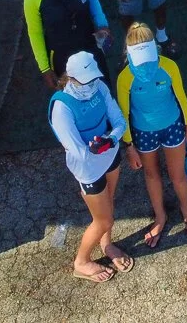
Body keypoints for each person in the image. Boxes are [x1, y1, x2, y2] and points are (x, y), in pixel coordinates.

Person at [48, 51, 132, 283]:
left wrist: (110, 141)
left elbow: (119, 122)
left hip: (109, 155)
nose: (93, 84)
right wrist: (104, 144)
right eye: (87, 81)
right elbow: (78, 152)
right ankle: (81, 262)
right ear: (71, 79)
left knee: (110, 201)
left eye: (94, 78)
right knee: (104, 220)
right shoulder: (61, 109)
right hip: (88, 170)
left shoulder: (100, 88)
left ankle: (107, 244)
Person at [115, 24, 187, 246]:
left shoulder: (169, 66)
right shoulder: (125, 78)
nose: (146, 64)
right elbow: (123, 114)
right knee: (152, 175)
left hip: (172, 125)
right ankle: (160, 216)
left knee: (178, 174)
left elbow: (181, 97)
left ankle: (186, 208)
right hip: (143, 133)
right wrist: (129, 146)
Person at [24, 0, 111, 89]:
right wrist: (45, 69)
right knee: (72, 99)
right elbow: (35, 33)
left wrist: (103, 25)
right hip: (61, 57)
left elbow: (93, 0)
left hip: (90, 48)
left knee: (103, 89)